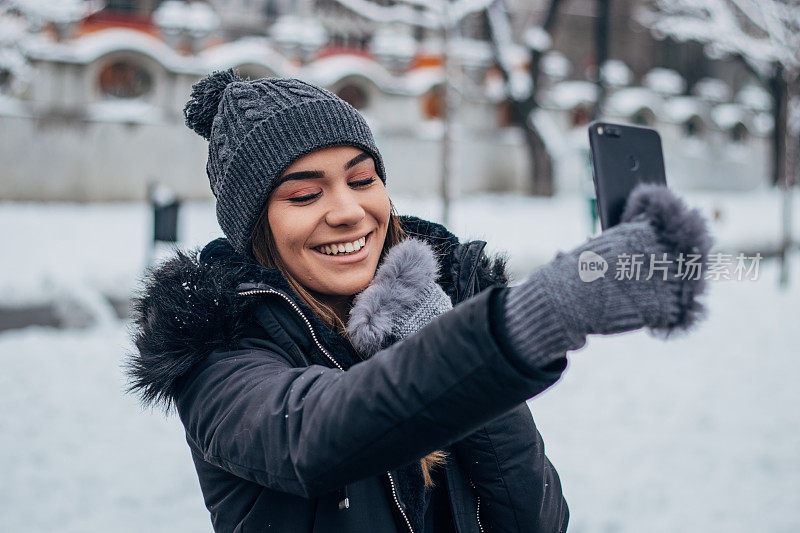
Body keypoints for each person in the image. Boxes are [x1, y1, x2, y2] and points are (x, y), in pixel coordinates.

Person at [127, 69, 713, 533]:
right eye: (305, 193)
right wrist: (544, 313)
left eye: (362, 180)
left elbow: (537, 520)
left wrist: (442, 327)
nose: (348, 211)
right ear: (257, 228)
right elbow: (318, 436)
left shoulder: (430, 307)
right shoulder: (216, 354)